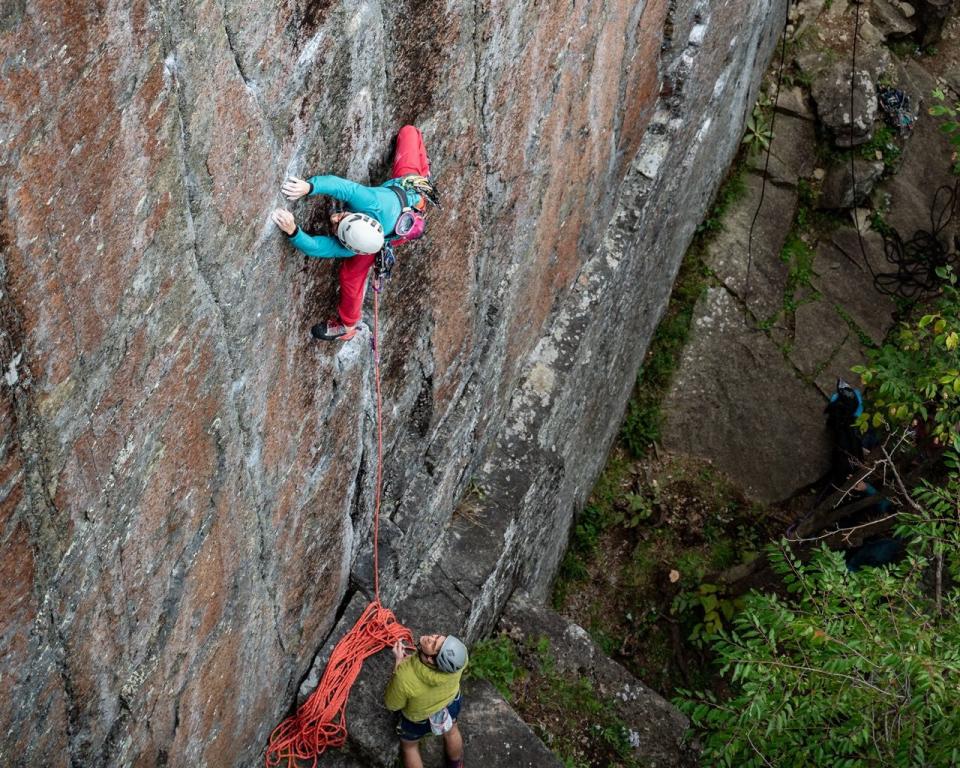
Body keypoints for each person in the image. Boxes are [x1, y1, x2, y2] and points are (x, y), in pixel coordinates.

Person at [271, 125, 439, 341]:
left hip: (396, 225)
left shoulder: (356, 246)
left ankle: (347, 326)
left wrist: (293, 231)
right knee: (408, 132)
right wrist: (309, 187)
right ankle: (423, 173)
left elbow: (316, 247)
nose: (334, 218)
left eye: (337, 223)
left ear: (351, 247)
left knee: (351, 276)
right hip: (408, 194)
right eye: (341, 219)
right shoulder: (371, 202)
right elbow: (342, 187)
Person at [384, 633, 468, 768]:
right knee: (451, 731)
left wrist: (399, 664)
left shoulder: (405, 677)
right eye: (438, 637)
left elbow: (392, 704)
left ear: (430, 660)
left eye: (433, 644)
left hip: (419, 721)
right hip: (450, 705)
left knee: (409, 747)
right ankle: (456, 765)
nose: (431, 637)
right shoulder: (460, 658)